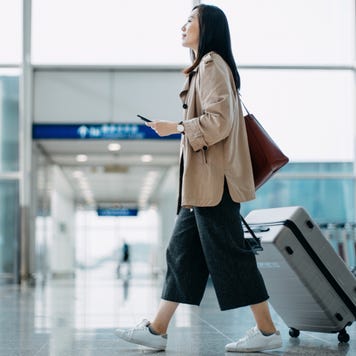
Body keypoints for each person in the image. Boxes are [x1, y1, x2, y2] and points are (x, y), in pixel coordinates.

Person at [115, 4, 282, 353]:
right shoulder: (202, 68)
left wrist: (174, 128)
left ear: (207, 28)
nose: (183, 26)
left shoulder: (210, 64)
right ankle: (157, 329)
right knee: (181, 253)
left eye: (190, 20)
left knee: (230, 255)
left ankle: (267, 332)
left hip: (213, 185)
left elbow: (219, 121)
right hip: (202, 187)